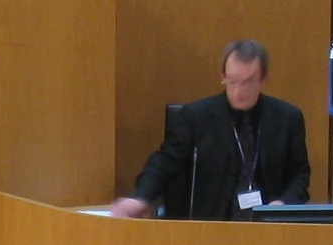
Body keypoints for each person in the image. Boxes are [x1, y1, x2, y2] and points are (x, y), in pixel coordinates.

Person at [112, 40, 310, 219]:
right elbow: (165, 163)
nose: (239, 90)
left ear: (264, 79)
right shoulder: (196, 117)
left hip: (267, 225)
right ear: (223, 76)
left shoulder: (287, 118)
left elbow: (299, 175)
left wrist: (284, 204)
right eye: (232, 81)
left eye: (248, 82)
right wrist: (141, 197)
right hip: (209, 223)